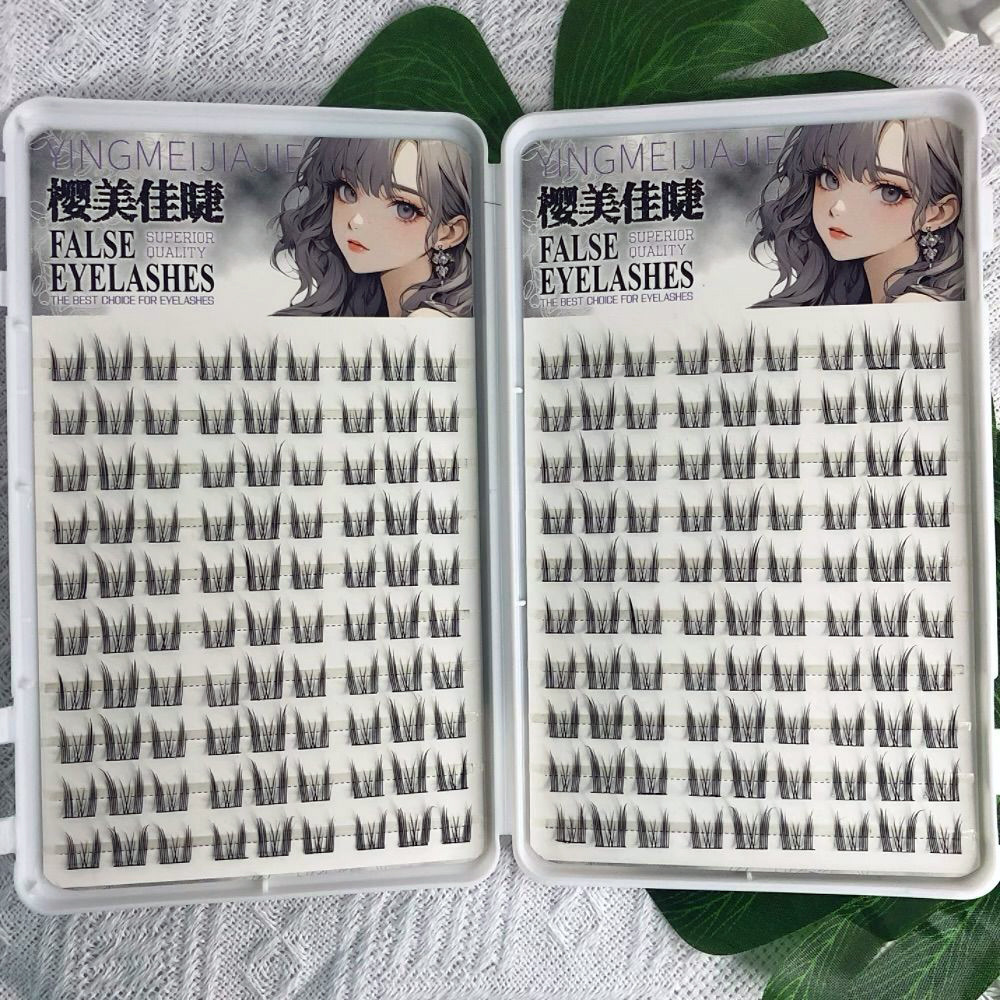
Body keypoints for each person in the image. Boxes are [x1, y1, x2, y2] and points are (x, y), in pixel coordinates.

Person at [751, 118, 963, 306]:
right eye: (830, 179)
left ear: (938, 213)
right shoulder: (855, 293)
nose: (838, 207)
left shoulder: (913, 306)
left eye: (888, 192)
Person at [273, 136, 472, 317]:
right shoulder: (369, 304)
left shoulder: (426, 320)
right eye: (348, 191)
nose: (356, 221)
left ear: (449, 233)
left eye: (403, 209)